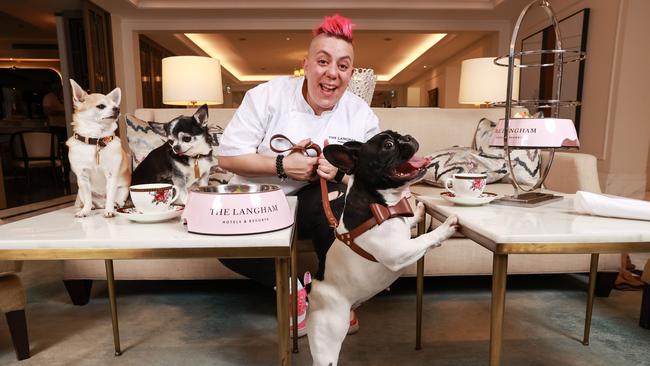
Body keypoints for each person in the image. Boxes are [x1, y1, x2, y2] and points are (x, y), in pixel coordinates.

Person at [217, 14, 380, 336]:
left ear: (351, 74)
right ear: (305, 65)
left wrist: (341, 172)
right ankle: (292, 287)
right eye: (323, 61)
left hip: (313, 202)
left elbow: (373, 178)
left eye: (343, 66)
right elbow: (228, 157)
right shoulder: (265, 96)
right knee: (221, 244)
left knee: (339, 202)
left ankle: (332, 293)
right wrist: (281, 165)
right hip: (258, 197)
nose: (332, 73)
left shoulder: (360, 113)